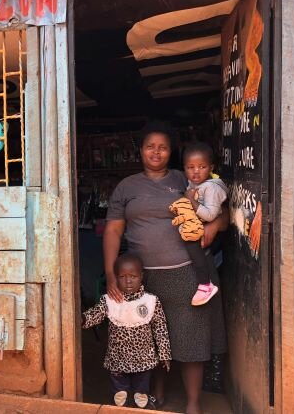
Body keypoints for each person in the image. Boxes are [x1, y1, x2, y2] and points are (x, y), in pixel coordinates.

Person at [103, 125, 228, 414]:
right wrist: (111, 273)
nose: (156, 152)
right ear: (140, 150)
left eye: (163, 147)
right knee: (150, 338)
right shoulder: (127, 187)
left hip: (187, 273)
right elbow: (112, 231)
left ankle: (194, 403)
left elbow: (222, 213)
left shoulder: (185, 178)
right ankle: (156, 391)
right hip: (143, 277)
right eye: (150, 146)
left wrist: (211, 227)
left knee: (190, 337)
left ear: (171, 153)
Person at [83, 253, 171, 409]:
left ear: (141, 276)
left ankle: (140, 397)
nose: (128, 281)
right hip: (118, 355)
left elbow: (160, 328)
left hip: (144, 356)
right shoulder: (109, 300)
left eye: (133, 276)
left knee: (142, 386)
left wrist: (164, 353)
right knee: (119, 388)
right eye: (122, 277)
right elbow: (96, 314)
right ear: (115, 278)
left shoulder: (151, 301)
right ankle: (120, 398)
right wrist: (82, 320)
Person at [169, 142, 228, 306]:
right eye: (190, 167)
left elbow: (209, 215)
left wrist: (189, 200)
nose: (196, 172)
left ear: (211, 167)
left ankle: (205, 284)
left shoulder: (212, 188)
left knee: (192, 244)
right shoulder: (197, 183)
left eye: (202, 167)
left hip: (207, 227)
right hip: (197, 222)